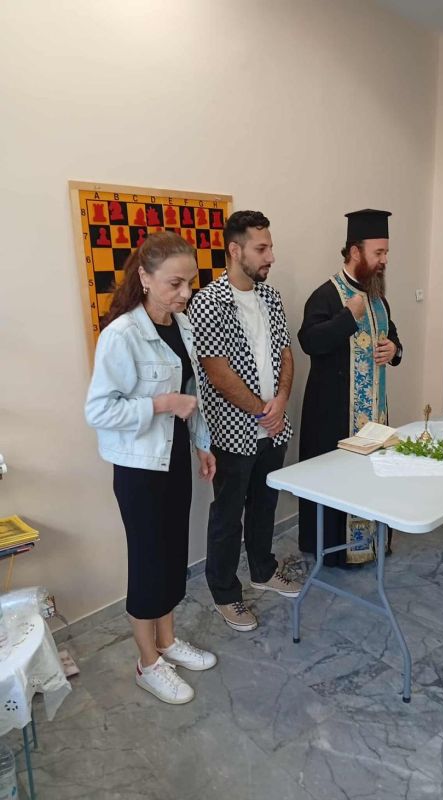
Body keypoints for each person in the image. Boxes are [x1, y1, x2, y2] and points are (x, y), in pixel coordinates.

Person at [85, 231, 217, 705]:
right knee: (147, 562)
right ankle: (147, 662)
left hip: (173, 458)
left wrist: (201, 444)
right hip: (140, 468)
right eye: (174, 284)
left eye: (190, 283)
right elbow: (99, 410)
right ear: (144, 277)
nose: (185, 293)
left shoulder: (181, 326)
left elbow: (192, 394)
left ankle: (167, 640)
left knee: (172, 553)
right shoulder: (121, 335)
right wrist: (160, 403)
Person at [188, 210, 301, 633]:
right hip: (233, 431)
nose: (271, 256)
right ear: (235, 251)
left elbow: (286, 353)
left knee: (265, 504)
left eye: (270, 247)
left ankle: (263, 570)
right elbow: (216, 371)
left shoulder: (271, 297)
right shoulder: (208, 301)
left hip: (273, 426)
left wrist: (281, 401)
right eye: (262, 248)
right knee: (228, 513)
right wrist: (261, 410)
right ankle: (224, 593)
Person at [298, 209, 402, 566]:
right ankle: (335, 553)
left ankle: (369, 545)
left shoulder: (378, 298)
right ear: (355, 252)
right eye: (378, 253)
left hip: (374, 418)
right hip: (333, 418)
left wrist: (394, 349)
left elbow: (393, 336)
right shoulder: (326, 295)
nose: (384, 260)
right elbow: (310, 341)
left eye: (386, 252)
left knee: (372, 483)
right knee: (335, 485)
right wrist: (348, 317)